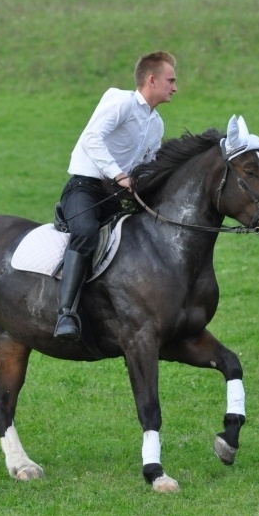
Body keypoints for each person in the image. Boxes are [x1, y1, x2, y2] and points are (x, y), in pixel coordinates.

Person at [54, 51, 178, 341]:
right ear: (151, 80)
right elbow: (91, 138)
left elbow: (147, 167)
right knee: (85, 232)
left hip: (116, 197)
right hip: (85, 188)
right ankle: (65, 314)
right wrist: (119, 175)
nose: (174, 87)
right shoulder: (122, 103)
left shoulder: (156, 124)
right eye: (170, 80)